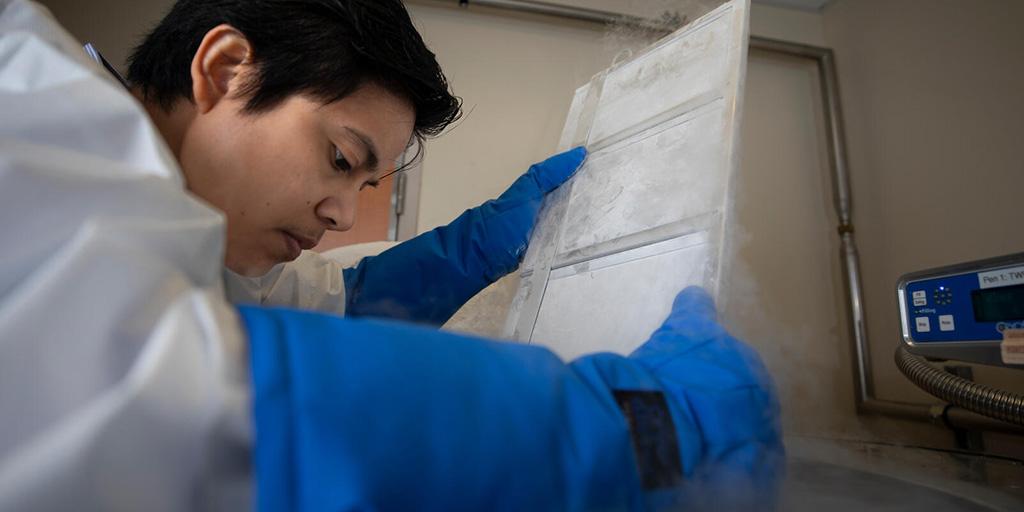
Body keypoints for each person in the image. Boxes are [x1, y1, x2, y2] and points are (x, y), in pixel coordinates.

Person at [0, 0, 783, 510]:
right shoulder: (26, 92)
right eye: (342, 158)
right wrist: (629, 427)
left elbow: (298, 311)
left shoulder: (148, 219)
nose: (344, 211)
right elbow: (155, 395)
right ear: (224, 70)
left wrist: (467, 251)